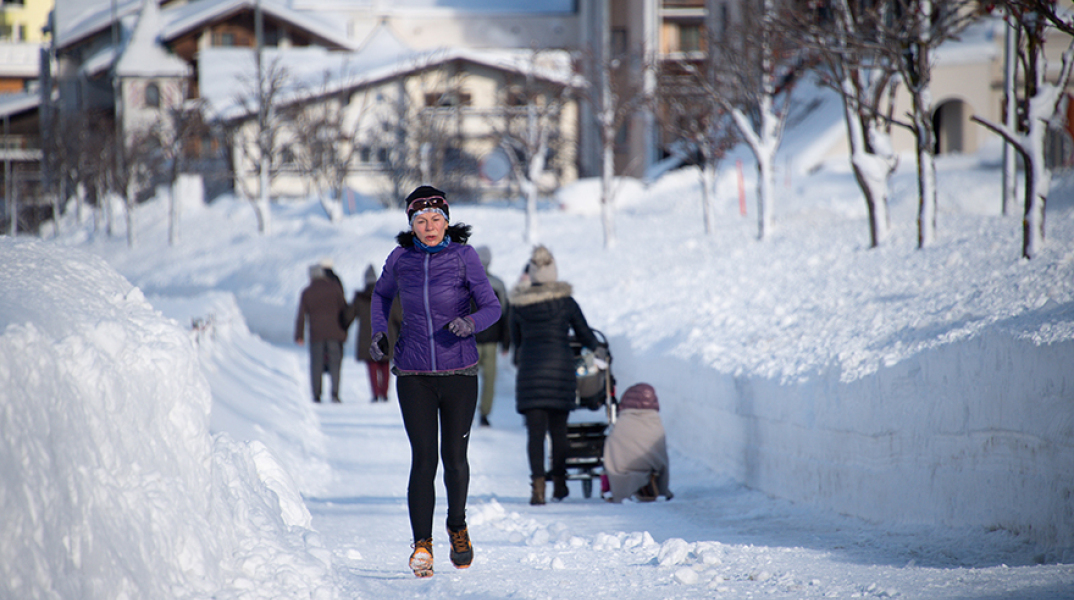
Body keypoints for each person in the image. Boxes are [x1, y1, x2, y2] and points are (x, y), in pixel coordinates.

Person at [369, 185, 501, 578]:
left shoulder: (464, 256)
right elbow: (380, 297)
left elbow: (492, 306)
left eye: (436, 219)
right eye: (421, 221)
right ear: (411, 225)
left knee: (455, 459)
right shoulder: (400, 258)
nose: (429, 227)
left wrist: (470, 323)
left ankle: (457, 526)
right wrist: (379, 332)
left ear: (447, 221)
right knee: (423, 458)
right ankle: (422, 545)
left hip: (459, 371)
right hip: (414, 374)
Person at [509, 245, 600, 506]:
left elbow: (516, 342)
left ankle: (538, 489)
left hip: (530, 373)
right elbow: (586, 336)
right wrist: (594, 348)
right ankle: (560, 484)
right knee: (559, 432)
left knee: (535, 434)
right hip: (561, 372)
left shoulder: (519, 304)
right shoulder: (566, 302)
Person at [602, 382, 673, 503]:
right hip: (650, 475)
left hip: (621, 479)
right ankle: (654, 490)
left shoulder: (622, 424)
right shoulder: (655, 423)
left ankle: (620, 491)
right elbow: (662, 461)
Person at [294, 263, 351, 403]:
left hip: (316, 334)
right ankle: (335, 394)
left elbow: (301, 315)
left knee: (316, 364)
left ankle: (317, 394)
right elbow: (345, 309)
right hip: (335, 332)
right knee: (335, 363)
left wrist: (299, 335)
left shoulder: (307, 292)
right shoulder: (335, 288)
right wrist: (345, 328)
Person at [353, 264, 402, 402]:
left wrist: (343, 323)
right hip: (387, 336)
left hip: (368, 338)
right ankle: (384, 393)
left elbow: (349, 314)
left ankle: (375, 393)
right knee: (385, 364)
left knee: (372, 365)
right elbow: (398, 316)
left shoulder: (360, 298)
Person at [473, 246, 510, 427]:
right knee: (489, 381)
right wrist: (506, 341)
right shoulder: (498, 284)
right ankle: (484, 414)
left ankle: (464, 411)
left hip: (470, 340)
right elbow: (505, 314)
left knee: (467, 379)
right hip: (492, 340)